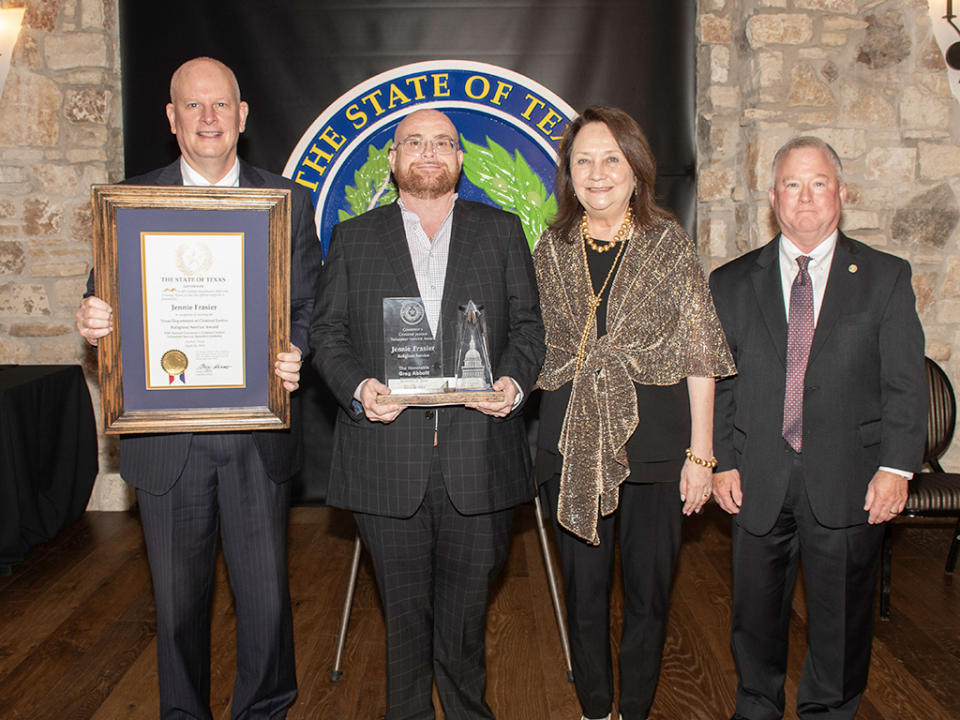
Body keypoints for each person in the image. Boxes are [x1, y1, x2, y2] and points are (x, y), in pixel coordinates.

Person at [76, 57, 323, 720]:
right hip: (166, 441)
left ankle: (264, 709)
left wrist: (298, 348)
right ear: (171, 119)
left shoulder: (287, 202)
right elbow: (102, 299)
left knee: (266, 599)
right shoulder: (131, 203)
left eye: (221, 106)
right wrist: (92, 316)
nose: (208, 119)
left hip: (254, 436)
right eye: (193, 106)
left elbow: (307, 304)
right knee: (177, 604)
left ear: (242, 116)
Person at [310, 108, 544, 720]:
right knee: (403, 620)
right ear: (392, 161)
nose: (430, 153)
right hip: (387, 461)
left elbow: (528, 328)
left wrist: (515, 383)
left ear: (461, 160)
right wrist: (358, 386)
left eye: (444, 142)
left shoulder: (502, 231)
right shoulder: (355, 237)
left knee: (467, 621)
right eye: (414, 142)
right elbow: (327, 333)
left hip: (479, 457)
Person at [709, 136, 927, 720]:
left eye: (818, 183)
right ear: (773, 197)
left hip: (852, 478)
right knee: (753, 616)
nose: (805, 197)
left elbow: (904, 384)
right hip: (754, 478)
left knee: (842, 618)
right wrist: (721, 459)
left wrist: (896, 468)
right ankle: (755, 707)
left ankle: (830, 710)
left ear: (842, 193)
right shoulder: (730, 283)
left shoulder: (885, 278)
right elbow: (720, 383)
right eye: (791, 185)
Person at [533, 105, 735, 720]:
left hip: (656, 449)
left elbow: (701, 350)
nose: (597, 173)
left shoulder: (668, 243)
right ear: (568, 173)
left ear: (636, 168)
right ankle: (598, 707)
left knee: (650, 596)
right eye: (584, 161)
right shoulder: (551, 246)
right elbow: (525, 341)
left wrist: (702, 455)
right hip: (572, 445)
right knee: (584, 593)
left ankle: (637, 708)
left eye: (611, 159)